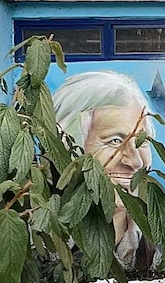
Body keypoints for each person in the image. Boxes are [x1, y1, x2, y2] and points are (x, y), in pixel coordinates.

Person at [53, 71, 156, 272]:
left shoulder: (155, 244)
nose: (135, 162)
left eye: (142, 142)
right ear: (68, 146)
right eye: (115, 141)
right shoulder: (40, 243)